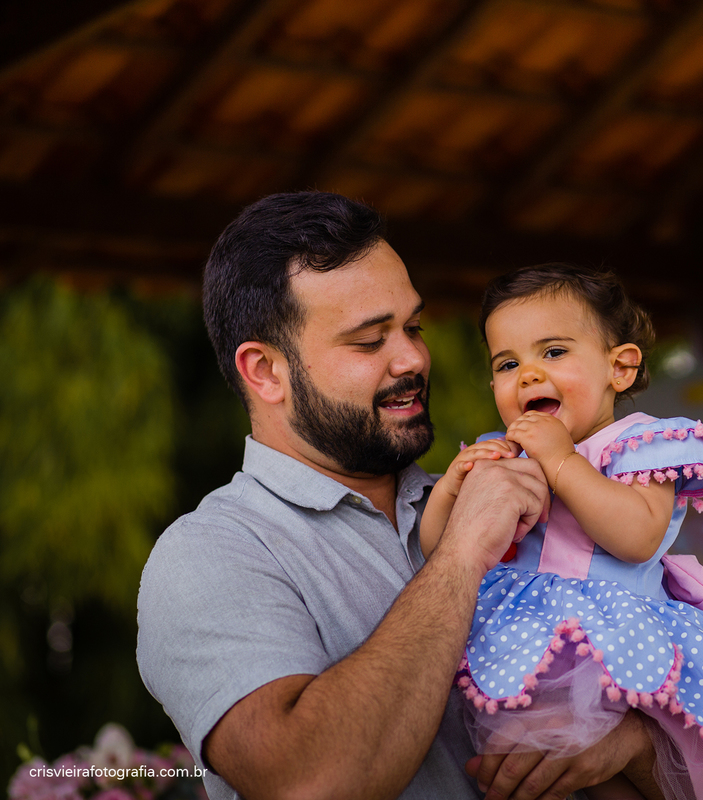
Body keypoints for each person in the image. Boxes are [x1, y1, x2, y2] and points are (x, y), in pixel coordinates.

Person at [136, 192, 668, 800]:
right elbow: (307, 782)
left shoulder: (518, 493)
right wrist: (460, 555)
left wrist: (633, 747)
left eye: (413, 327)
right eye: (370, 341)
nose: (413, 357)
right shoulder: (210, 554)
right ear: (265, 371)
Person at [418, 265, 703, 800]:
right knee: (527, 767)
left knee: (610, 766)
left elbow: (636, 538)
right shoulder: (509, 453)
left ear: (620, 368)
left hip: (616, 642)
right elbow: (441, 552)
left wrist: (562, 462)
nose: (529, 375)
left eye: (554, 352)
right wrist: (453, 489)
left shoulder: (640, 445)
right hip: (528, 641)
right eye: (508, 363)